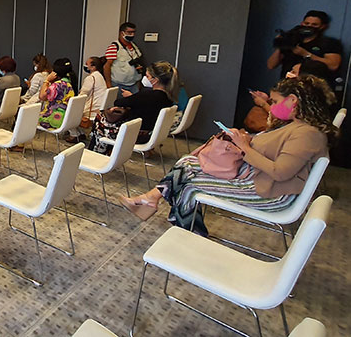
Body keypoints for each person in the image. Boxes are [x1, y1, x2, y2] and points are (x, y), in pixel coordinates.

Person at [121, 75, 335, 236]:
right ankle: (153, 202)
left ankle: (188, 235)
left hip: (271, 194)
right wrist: (246, 139)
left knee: (189, 185)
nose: (272, 106)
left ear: (293, 101)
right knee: (187, 162)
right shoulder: (297, 126)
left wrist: (244, 146)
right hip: (258, 179)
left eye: (276, 102)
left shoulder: (307, 134)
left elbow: (280, 172)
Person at [89, 61, 178, 154]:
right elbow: (142, 104)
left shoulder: (147, 95)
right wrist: (133, 97)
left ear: (155, 80)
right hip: (150, 133)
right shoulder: (168, 97)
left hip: (135, 134)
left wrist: (131, 97)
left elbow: (119, 102)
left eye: (147, 76)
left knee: (100, 119)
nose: (144, 78)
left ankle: (96, 151)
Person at [245, 59, 332, 132]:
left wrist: (263, 104)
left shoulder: (303, 125)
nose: (289, 73)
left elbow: (281, 117)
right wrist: (267, 100)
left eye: (294, 71)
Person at [267, 10, 342, 80]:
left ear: (322, 26)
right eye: (306, 23)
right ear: (302, 23)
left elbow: (333, 65)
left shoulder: (329, 43)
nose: (309, 26)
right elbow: (271, 65)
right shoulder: (293, 39)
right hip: (287, 83)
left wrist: (306, 54)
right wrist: (280, 44)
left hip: (312, 84)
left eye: (314, 24)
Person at [104, 22, 145, 95]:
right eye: (129, 32)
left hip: (134, 84)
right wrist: (109, 84)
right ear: (122, 33)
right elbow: (107, 66)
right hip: (119, 85)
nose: (132, 35)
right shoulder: (114, 47)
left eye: (133, 32)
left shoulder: (134, 46)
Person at [37, 58, 76, 129]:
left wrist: (47, 80)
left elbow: (42, 97)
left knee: (31, 117)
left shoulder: (57, 85)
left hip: (53, 119)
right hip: (66, 118)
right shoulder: (70, 82)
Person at [78, 55, 108, 124]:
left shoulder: (91, 78)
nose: (85, 66)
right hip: (100, 108)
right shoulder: (100, 76)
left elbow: (82, 95)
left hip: (93, 109)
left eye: (87, 64)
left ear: (93, 67)